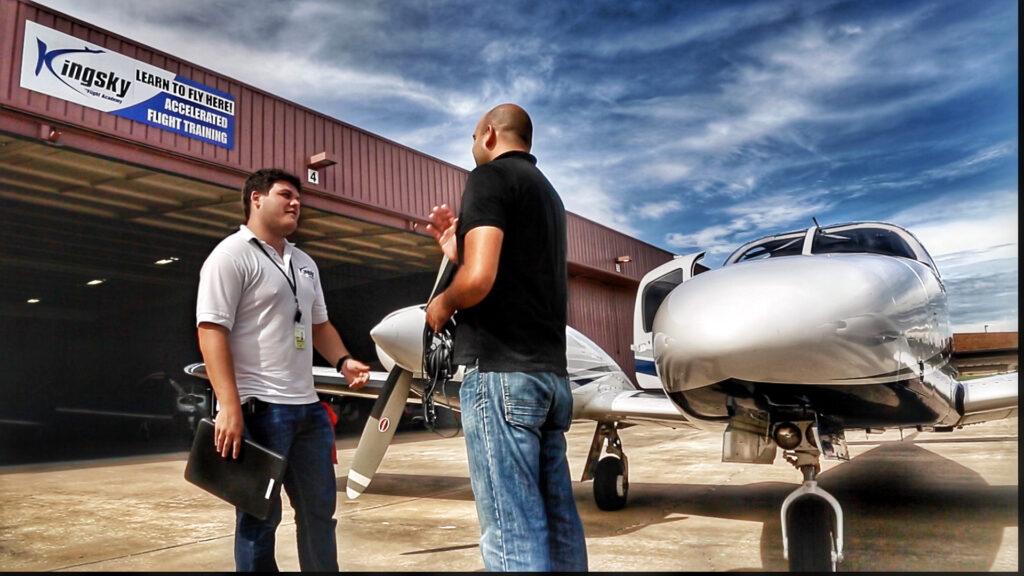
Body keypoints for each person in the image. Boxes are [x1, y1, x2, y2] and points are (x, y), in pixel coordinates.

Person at [425, 104, 588, 571]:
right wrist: (455, 249)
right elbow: (510, 269)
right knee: (558, 524)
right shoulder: (548, 195)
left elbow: (478, 280)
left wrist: (442, 303)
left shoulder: (488, 179)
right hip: (549, 380)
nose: (473, 149)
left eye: (473, 140)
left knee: (511, 530)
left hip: (501, 377)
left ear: (489, 134)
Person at [195, 168, 371, 572]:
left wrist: (343, 360)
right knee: (259, 520)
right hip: (260, 409)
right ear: (256, 198)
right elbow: (211, 330)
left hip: (309, 412)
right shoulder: (230, 255)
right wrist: (230, 406)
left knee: (319, 517)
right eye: (286, 194)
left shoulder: (305, 262)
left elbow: (318, 324)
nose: (296, 203)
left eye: (299, 199)